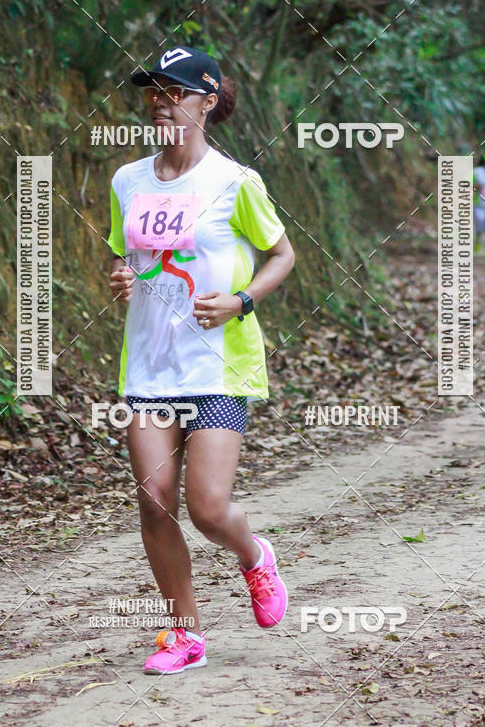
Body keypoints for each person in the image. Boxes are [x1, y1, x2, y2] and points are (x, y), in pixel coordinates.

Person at [107, 45, 295, 674]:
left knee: (208, 508)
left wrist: (241, 301)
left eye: (175, 91)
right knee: (155, 501)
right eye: (153, 91)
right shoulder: (127, 181)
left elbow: (283, 256)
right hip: (150, 367)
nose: (160, 102)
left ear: (207, 102)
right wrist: (119, 276)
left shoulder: (236, 182)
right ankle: (183, 634)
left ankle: (255, 558)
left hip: (218, 365)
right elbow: (122, 255)